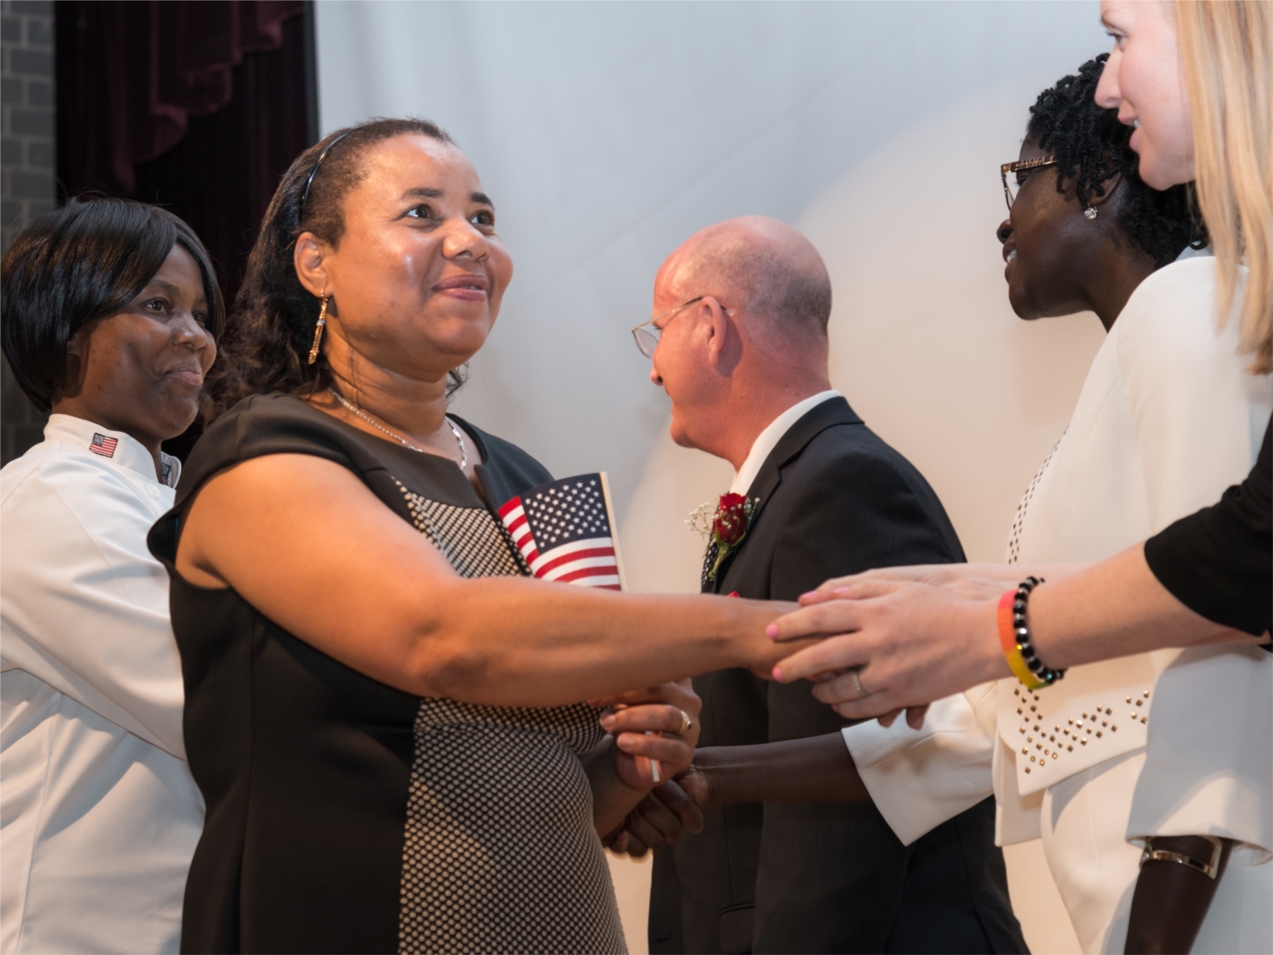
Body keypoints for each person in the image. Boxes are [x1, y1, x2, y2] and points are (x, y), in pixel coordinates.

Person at [149, 119, 816, 955]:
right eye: (422, 214)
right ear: (316, 262)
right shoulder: (264, 455)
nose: (469, 243)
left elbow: (567, 780)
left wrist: (641, 755)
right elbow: (445, 636)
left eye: (485, 220)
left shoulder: (526, 479)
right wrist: (764, 628)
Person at [633, 217, 1024, 954]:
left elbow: (847, 800)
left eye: (655, 332)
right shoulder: (805, 481)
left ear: (710, 327)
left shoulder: (840, 486)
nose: (652, 369)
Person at [0, 198, 223, 953]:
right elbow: (218, 702)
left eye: (200, 313)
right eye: (159, 305)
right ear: (65, 329)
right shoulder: (54, 498)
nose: (196, 337)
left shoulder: (174, 497)